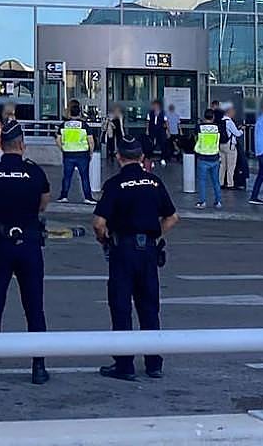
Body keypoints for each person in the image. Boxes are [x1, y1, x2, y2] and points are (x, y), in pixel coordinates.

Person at [93, 136, 180, 381]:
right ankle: (154, 363)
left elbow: (99, 223)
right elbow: (172, 217)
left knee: (121, 306)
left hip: (123, 250)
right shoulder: (154, 182)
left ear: (119, 157)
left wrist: (105, 240)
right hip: (149, 251)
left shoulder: (115, 184)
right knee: (149, 306)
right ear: (142, 157)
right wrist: (153, 235)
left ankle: (125, 364)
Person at [0, 119, 52, 385]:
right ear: (21, 144)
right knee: (34, 306)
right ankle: (39, 366)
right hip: (29, 245)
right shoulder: (35, 173)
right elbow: (43, 204)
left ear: (4, 144)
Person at [57, 103, 96, 204]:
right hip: (82, 154)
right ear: (79, 113)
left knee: (67, 177)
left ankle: (63, 196)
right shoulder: (84, 125)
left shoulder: (63, 125)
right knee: (84, 177)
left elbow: (58, 140)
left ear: (70, 113)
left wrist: (63, 149)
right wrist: (91, 152)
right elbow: (91, 141)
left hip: (68, 154)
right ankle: (88, 197)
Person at [193, 110, 222, 209]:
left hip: (203, 157)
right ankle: (218, 201)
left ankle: (203, 202)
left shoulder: (199, 127)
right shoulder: (217, 127)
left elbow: (196, 139)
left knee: (202, 181)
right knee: (216, 181)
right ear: (213, 117)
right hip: (215, 156)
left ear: (204, 117)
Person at [220, 106, 243, 189]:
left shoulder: (220, 121)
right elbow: (237, 133)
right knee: (231, 166)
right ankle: (230, 184)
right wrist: (241, 130)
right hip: (230, 146)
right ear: (229, 112)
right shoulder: (229, 122)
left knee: (223, 165)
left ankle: (221, 182)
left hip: (221, 145)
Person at [146, 100, 168, 165]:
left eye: (156, 105)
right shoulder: (150, 113)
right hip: (152, 130)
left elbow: (166, 122)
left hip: (161, 130)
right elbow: (148, 122)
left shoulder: (163, 113)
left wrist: (167, 130)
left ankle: (163, 158)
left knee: (162, 144)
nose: (155, 107)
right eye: (154, 105)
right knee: (151, 144)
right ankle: (149, 158)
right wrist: (147, 130)